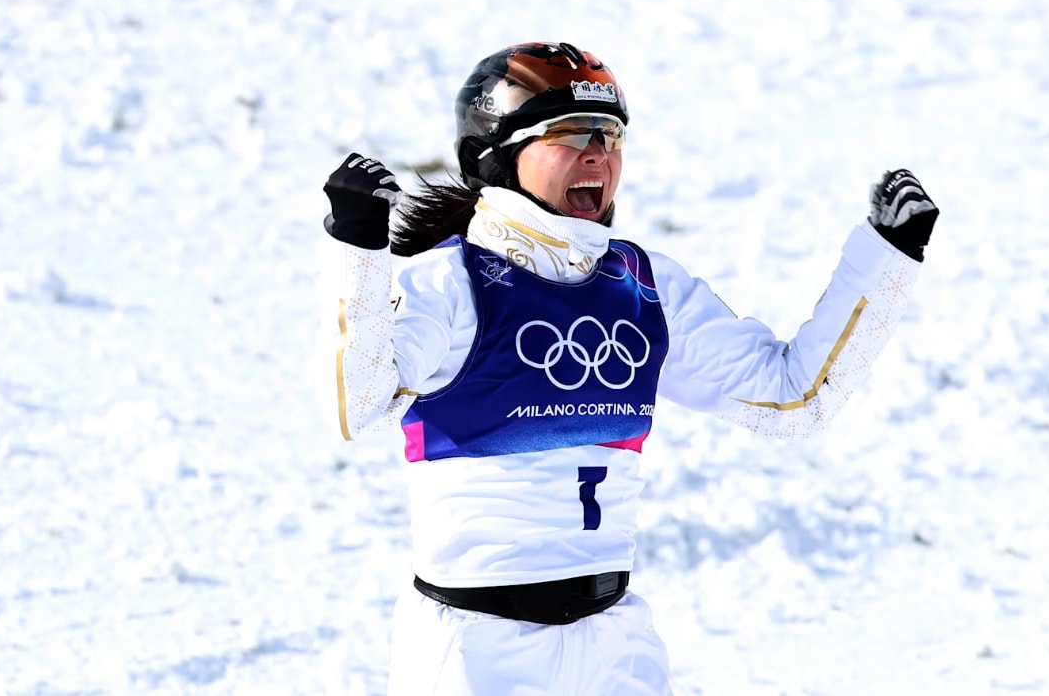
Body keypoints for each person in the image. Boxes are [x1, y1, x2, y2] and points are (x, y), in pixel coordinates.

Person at [315, 41, 938, 696]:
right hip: (477, 651)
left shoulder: (643, 288)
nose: (598, 156)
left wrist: (888, 255)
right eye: (569, 135)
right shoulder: (451, 280)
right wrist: (357, 249)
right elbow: (361, 404)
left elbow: (795, 399)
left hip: (613, 647)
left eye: (610, 137)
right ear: (496, 157)